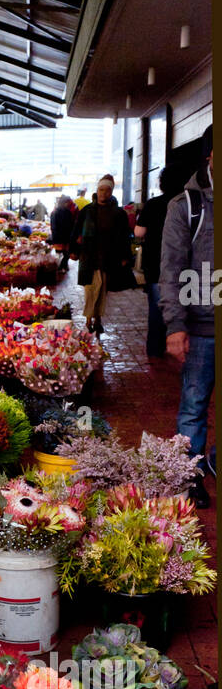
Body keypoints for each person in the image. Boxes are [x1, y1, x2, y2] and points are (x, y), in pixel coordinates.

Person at [159, 124, 214, 508]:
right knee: (194, 403)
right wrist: (175, 326)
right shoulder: (186, 206)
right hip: (201, 326)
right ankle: (188, 475)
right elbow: (171, 269)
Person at [73, 174, 135, 333]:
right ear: (97, 190)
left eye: (107, 191)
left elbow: (124, 237)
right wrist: (73, 251)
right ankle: (88, 319)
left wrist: (125, 257)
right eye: (101, 190)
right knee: (89, 289)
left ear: (111, 192)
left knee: (102, 289)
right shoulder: (86, 211)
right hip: (88, 257)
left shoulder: (118, 213)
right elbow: (76, 232)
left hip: (108, 257)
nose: (103, 193)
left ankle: (98, 319)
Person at [134, 166, 185, 358]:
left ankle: (155, 348)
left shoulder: (153, 204)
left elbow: (139, 232)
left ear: (162, 183)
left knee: (157, 307)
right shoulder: (186, 204)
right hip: (182, 265)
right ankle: (178, 344)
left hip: (156, 264)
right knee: (182, 304)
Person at [49, 194, 76, 271]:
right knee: (65, 254)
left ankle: (62, 266)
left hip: (59, 237)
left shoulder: (55, 212)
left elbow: (53, 227)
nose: (69, 204)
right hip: (64, 237)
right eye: (68, 202)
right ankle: (62, 266)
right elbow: (71, 225)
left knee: (62, 254)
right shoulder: (64, 212)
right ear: (64, 202)